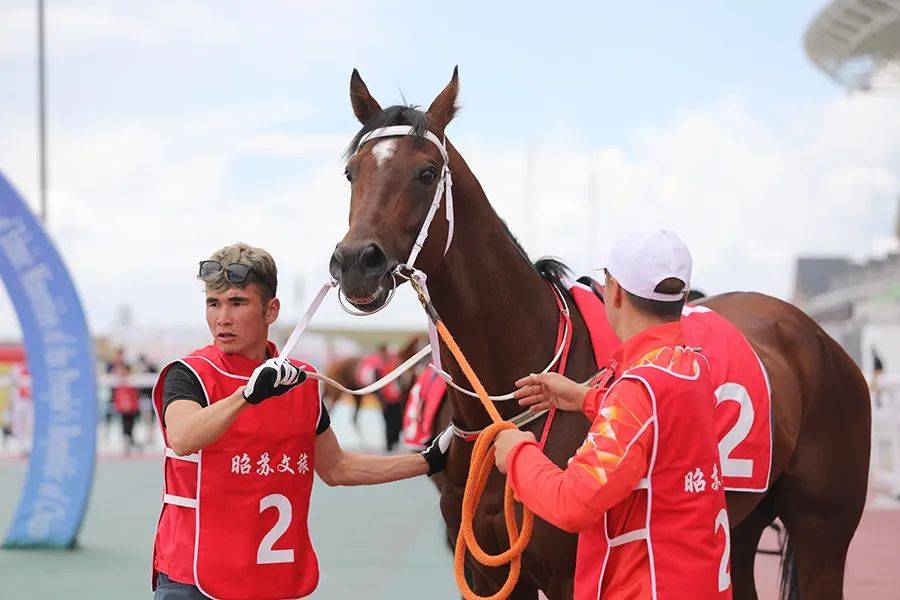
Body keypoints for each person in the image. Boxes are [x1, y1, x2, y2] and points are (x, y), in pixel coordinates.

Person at [152, 243, 452, 600]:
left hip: (272, 580)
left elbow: (337, 467)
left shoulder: (301, 383)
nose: (222, 318)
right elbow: (183, 437)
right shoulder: (189, 375)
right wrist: (247, 396)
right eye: (213, 304)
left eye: (237, 302)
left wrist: (426, 462)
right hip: (194, 578)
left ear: (270, 310)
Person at [495, 230, 732, 599]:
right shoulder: (693, 364)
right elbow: (657, 424)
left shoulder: (636, 392)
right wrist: (585, 398)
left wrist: (516, 454)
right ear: (681, 296)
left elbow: (573, 503)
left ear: (616, 292)